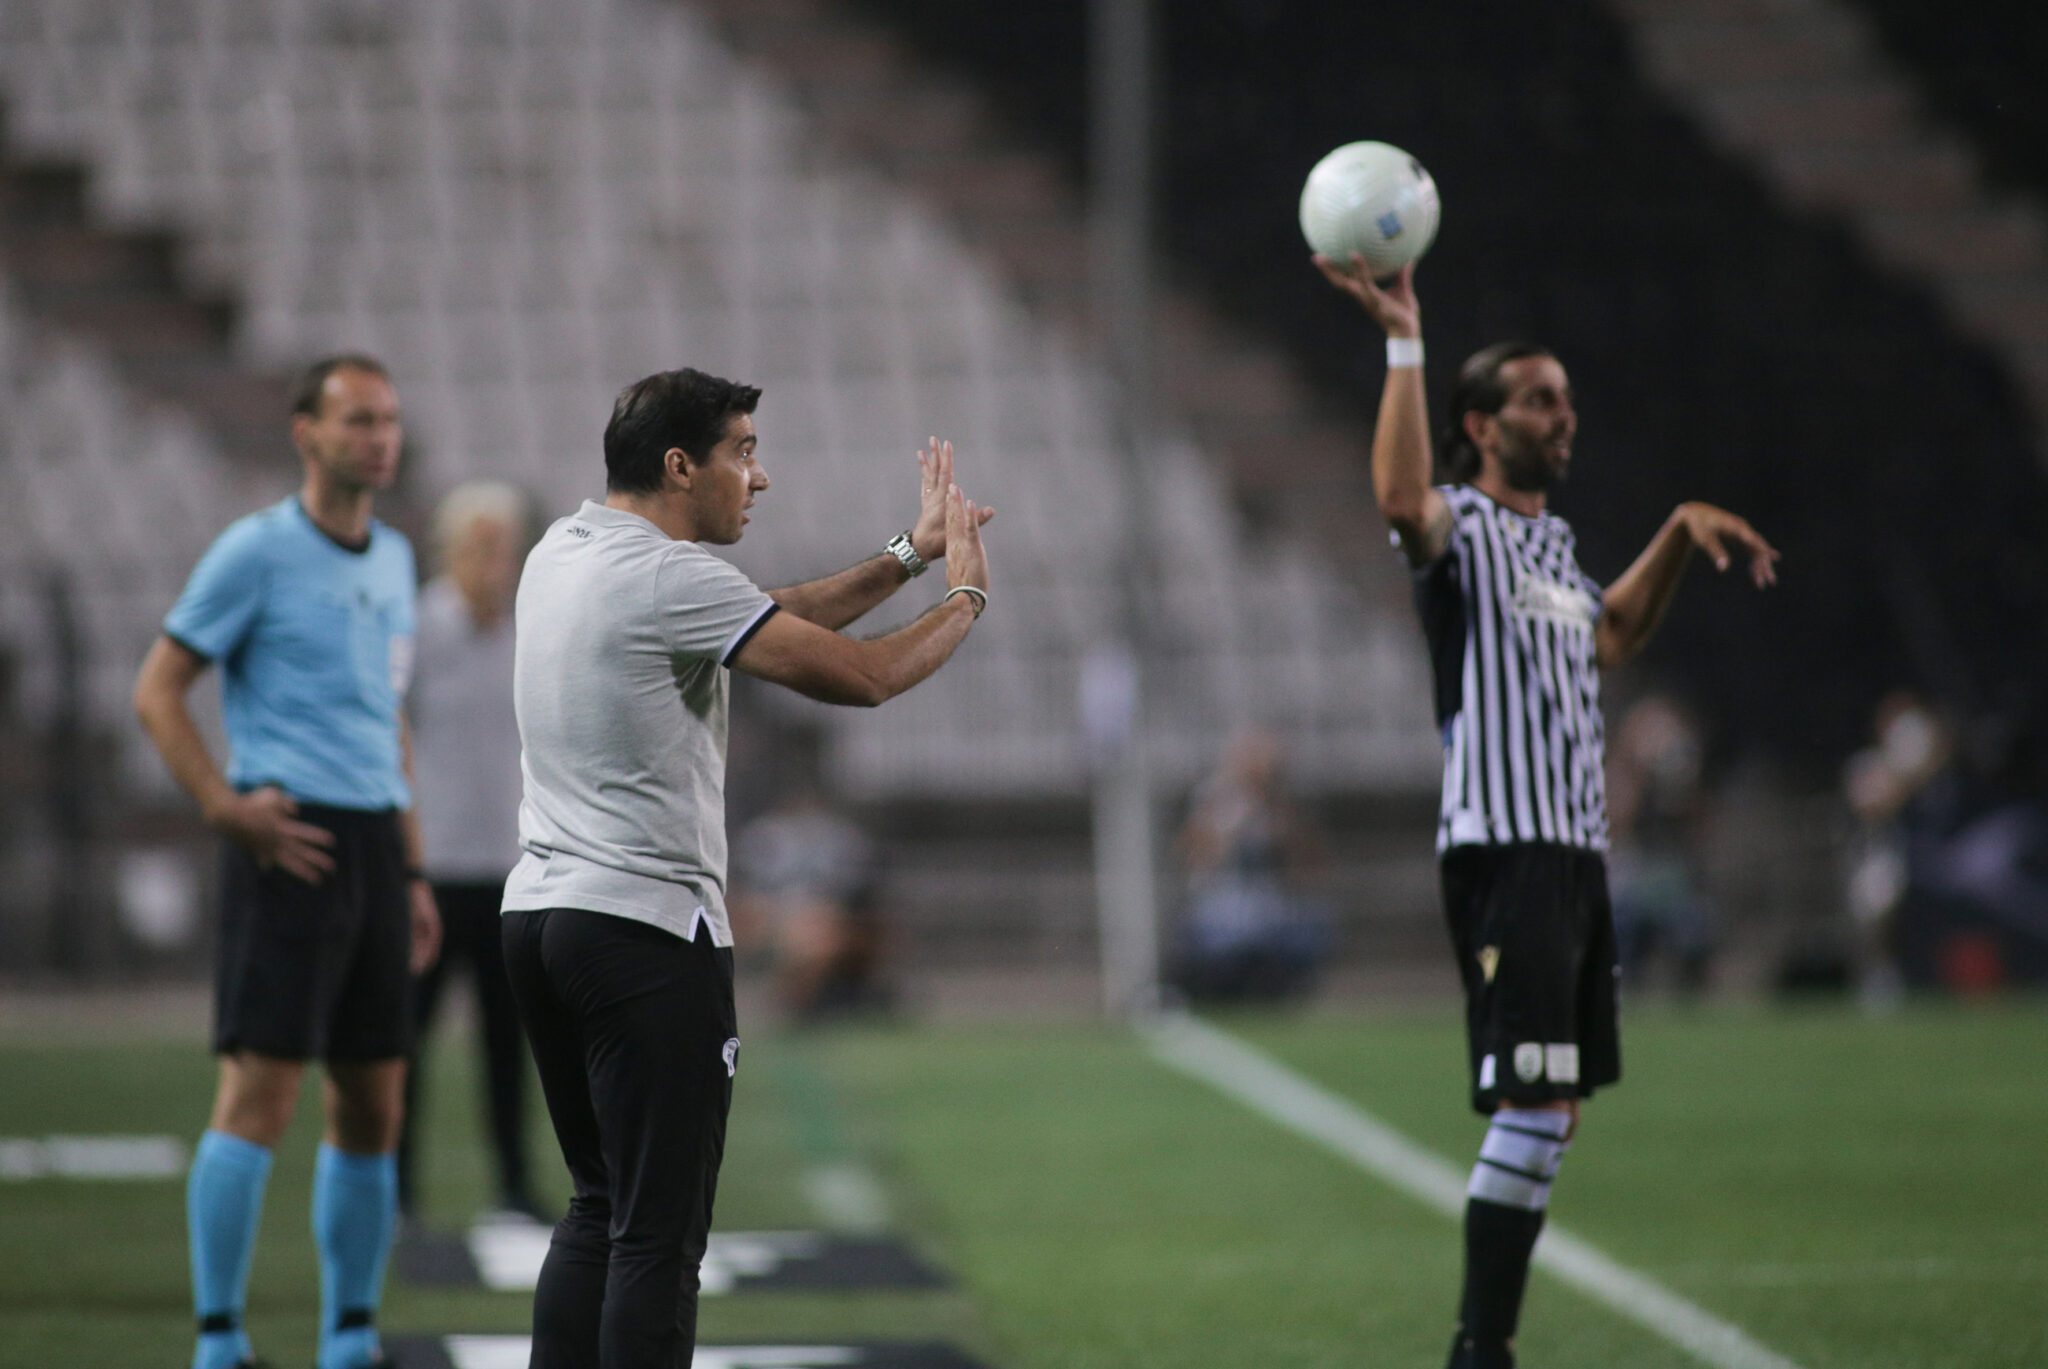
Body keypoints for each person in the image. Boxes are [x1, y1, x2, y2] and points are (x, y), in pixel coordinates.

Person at [1315, 254, 1779, 1369]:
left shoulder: (1554, 547)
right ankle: (1480, 1350)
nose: (1562, 415)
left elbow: (1608, 633)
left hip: (1573, 858)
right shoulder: (1465, 529)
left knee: (1554, 1108)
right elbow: (1400, 503)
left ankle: (1486, 1343)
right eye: (1537, 400)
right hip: (1506, 850)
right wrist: (1403, 338)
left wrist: (1677, 532)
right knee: (1529, 1107)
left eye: (1564, 398)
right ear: (1480, 427)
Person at [501, 368, 991, 1369]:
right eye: (743, 452)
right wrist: (966, 596)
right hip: (643, 931)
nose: (758, 478)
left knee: (599, 1208)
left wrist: (907, 555)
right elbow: (862, 677)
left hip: (544, 917)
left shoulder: (564, 547)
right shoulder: (668, 579)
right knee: (658, 1237)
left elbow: (764, 612)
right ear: (681, 466)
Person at [133, 355, 441, 1369]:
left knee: (374, 1101)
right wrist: (225, 806)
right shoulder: (255, 550)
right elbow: (157, 689)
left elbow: (387, 718)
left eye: (388, 420)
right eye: (358, 420)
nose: (379, 438)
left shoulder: (395, 556)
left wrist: (411, 870)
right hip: (290, 842)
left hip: (375, 847)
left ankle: (348, 1335)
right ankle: (219, 1339)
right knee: (259, 1095)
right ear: (306, 433)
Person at [399, 480, 543, 1224]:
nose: (496, 562)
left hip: (510, 869)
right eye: (482, 546)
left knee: (508, 1041)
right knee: (407, 1036)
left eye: (504, 547)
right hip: (432, 868)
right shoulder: (419, 630)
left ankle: (513, 1186)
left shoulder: (528, 631)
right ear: (450, 551)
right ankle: (395, 1192)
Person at [1170, 724, 1331, 1002]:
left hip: (1275, 913)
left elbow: (1312, 867)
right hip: (1223, 911)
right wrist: (1230, 831)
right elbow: (1193, 856)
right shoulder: (1215, 799)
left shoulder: (1286, 803)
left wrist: (1283, 828)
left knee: (1313, 928)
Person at [731, 785, 887, 1023]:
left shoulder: (837, 836)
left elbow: (852, 889)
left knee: (824, 935)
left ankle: (799, 1007)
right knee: (808, 935)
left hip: (822, 917)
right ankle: (791, 1007)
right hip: (772, 916)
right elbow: (745, 891)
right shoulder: (765, 835)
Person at [1604, 693, 1715, 993]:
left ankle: (1692, 996)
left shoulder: (1678, 784)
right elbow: (1617, 823)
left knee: (1693, 926)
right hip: (1627, 876)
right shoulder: (1619, 775)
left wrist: (1676, 785)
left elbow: (1697, 831)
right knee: (1622, 923)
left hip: (1669, 879)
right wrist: (1639, 774)